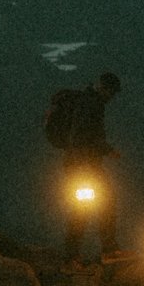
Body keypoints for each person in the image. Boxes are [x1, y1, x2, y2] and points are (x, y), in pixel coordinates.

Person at [50, 71, 125, 266]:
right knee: (99, 204)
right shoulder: (91, 103)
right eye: (112, 92)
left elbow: (85, 135)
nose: (112, 97)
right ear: (104, 88)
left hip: (80, 164)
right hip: (84, 166)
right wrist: (106, 150)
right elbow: (82, 136)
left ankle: (73, 255)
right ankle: (104, 250)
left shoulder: (89, 101)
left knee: (85, 207)